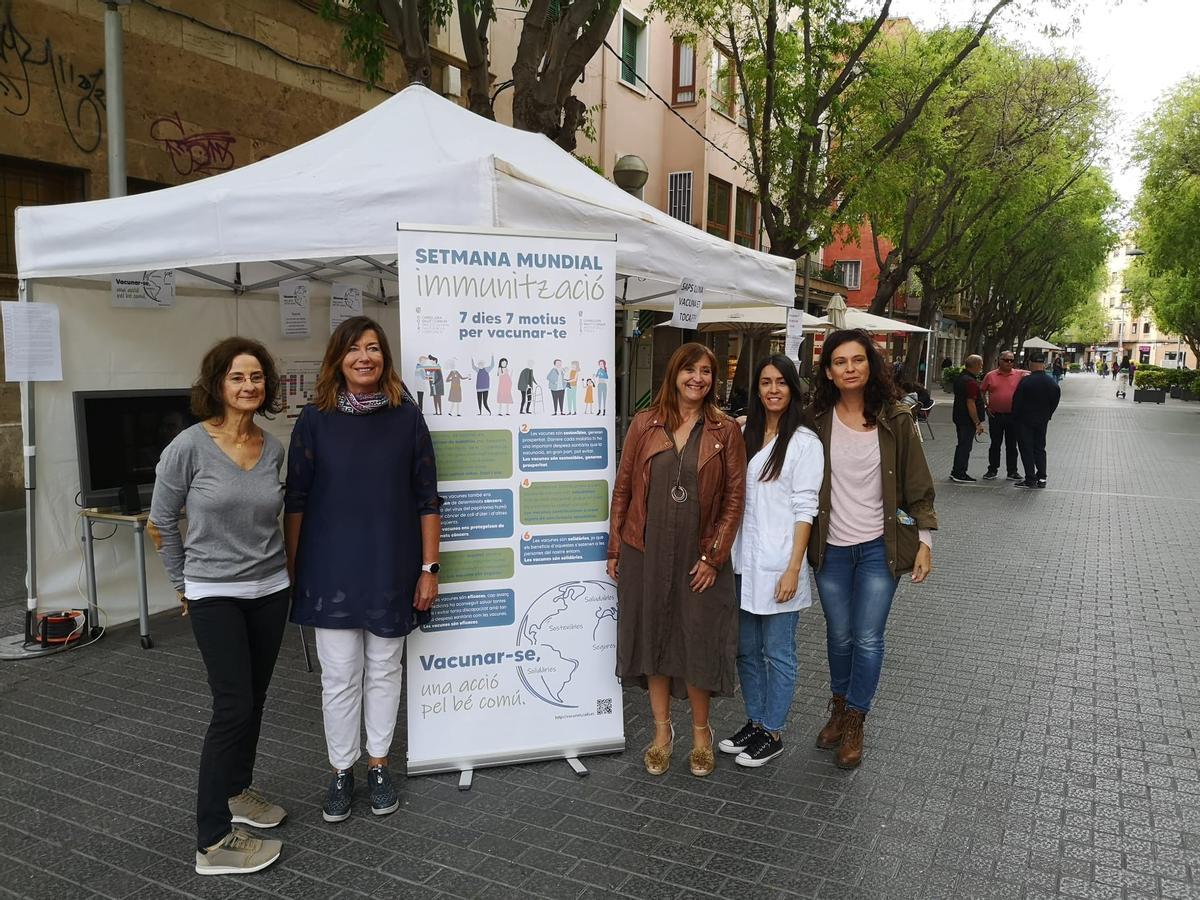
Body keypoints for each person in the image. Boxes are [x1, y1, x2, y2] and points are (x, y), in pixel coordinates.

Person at [285, 316, 441, 824]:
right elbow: (296, 500)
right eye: (354, 349)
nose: (364, 357)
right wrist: (292, 570)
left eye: (373, 348)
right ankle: (340, 770)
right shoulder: (314, 420)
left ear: (385, 357)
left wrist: (429, 569)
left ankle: (377, 764)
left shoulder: (407, 419)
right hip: (329, 569)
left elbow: (427, 500)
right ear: (338, 358)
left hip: (391, 567)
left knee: (383, 671)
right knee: (338, 676)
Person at [149, 337, 290, 876]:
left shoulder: (272, 447)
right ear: (217, 385)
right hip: (214, 593)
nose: (248, 386)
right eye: (238, 378)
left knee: (253, 699)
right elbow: (161, 521)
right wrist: (182, 585)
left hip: (270, 589)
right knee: (231, 706)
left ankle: (237, 792)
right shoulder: (188, 446)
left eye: (256, 378)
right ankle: (212, 840)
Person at [607, 342, 746, 778]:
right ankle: (662, 733)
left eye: (706, 371)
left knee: (698, 640)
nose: (698, 378)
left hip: (698, 555)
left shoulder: (725, 432)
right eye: (690, 369)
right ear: (674, 373)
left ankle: (702, 734)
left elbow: (734, 499)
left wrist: (713, 556)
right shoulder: (645, 424)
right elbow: (624, 487)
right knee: (655, 639)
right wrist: (615, 547)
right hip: (645, 552)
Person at [807, 329, 936, 768]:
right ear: (828, 370)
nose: (849, 368)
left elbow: (919, 487)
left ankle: (857, 719)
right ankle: (839, 707)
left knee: (867, 637)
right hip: (831, 550)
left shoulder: (896, 419)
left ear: (870, 365)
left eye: (857, 360)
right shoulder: (816, 420)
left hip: (881, 550)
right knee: (838, 636)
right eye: (839, 362)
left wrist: (924, 541)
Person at [719, 355, 822, 768]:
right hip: (743, 561)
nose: (773, 389)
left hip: (781, 561)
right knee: (746, 650)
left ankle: (774, 731)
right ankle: (756, 721)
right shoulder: (746, 434)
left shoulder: (804, 443)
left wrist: (794, 568)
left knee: (778, 652)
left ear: (793, 388)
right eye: (765, 382)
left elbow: (805, 507)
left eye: (781, 382)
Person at [1012, 350, 1061, 489]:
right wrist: (1048, 415)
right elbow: (1055, 401)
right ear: (1044, 365)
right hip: (1042, 420)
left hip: (1024, 421)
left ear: (1030, 364)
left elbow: (1017, 401)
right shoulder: (1051, 383)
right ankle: (1042, 477)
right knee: (1040, 448)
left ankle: (1030, 478)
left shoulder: (1026, 381)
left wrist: (1015, 418)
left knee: (1026, 448)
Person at [980, 351, 1027, 481]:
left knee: (1012, 445)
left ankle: (1012, 471)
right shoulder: (990, 376)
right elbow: (982, 391)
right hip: (996, 416)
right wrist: (986, 406)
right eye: (1006, 360)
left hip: (1013, 416)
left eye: (1012, 360)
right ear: (999, 360)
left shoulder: (1019, 374)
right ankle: (992, 470)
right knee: (995, 444)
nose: (1009, 363)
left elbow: (1035, 373)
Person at [950, 354, 985, 482]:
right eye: (980, 365)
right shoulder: (970, 382)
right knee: (965, 446)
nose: (981, 367)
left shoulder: (961, 378)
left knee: (962, 445)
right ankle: (960, 472)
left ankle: (957, 471)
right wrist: (977, 422)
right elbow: (971, 403)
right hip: (966, 419)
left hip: (959, 416)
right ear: (975, 365)